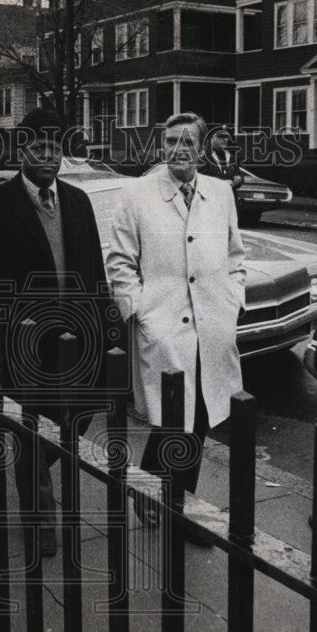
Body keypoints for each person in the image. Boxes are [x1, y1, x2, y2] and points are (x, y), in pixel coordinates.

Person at [0, 108, 108, 558]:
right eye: (38, 147)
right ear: (20, 150)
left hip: (78, 339)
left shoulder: (77, 200)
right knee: (32, 428)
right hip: (25, 341)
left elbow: (95, 270)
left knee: (80, 416)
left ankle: (34, 473)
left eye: (54, 147)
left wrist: (106, 327)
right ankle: (39, 520)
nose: (48, 156)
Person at [105, 112, 246, 534]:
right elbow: (119, 263)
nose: (178, 150)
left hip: (211, 325)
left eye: (187, 142)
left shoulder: (221, 192)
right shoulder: (137, 193)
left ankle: (181, 507)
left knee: (200, 415)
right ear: (161, 146)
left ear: (202, 149)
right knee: (171, 417)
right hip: (164, 324)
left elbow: (236, 255)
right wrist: (143, 312)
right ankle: (151, 489)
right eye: (170, 142)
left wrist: (232, 299)